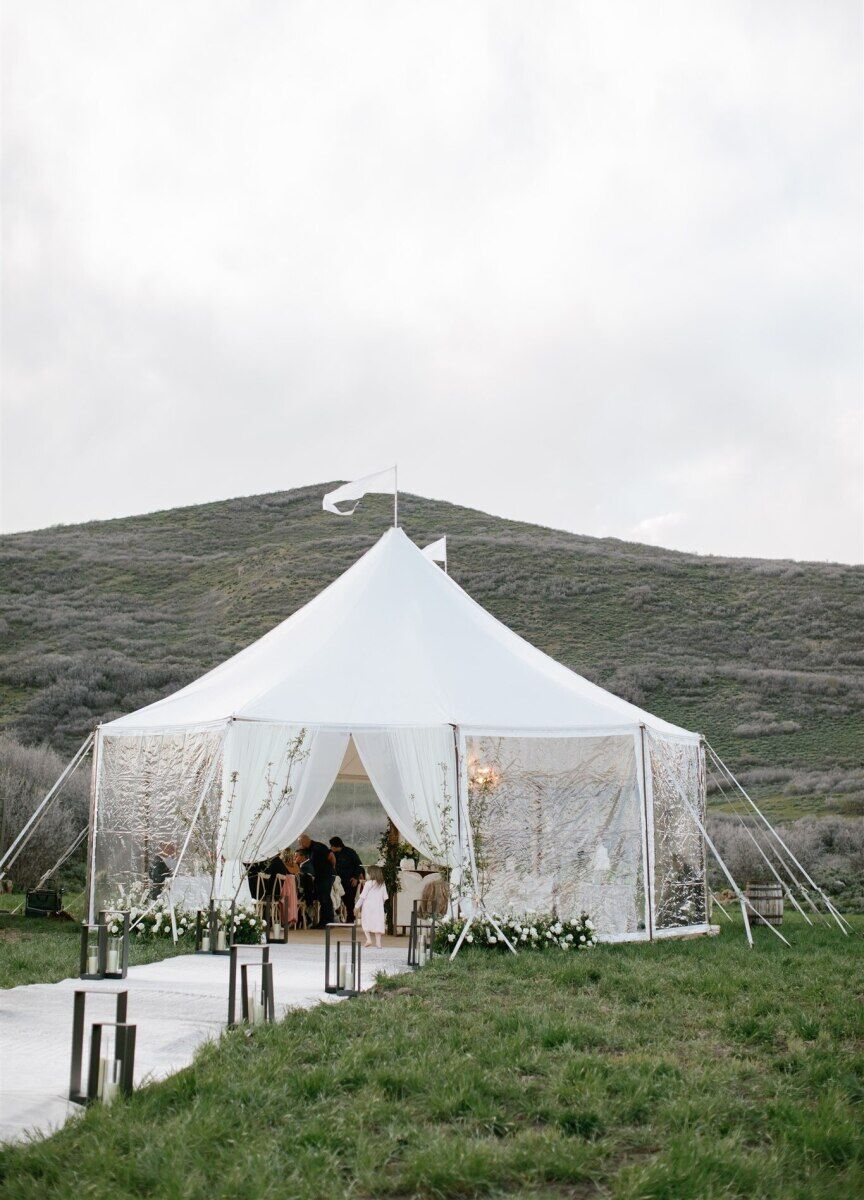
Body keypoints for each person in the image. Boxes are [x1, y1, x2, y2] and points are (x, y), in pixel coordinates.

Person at [297, 832, 335, 927]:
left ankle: (328, 921)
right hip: (319, 876)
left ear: (304, 841)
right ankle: (323, 921)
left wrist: (332, 869)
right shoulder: (309, 849)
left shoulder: (318, 847)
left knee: (325, 897)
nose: (300, 845)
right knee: (322, 898)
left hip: (326, 875)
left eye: (300, 843)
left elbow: (331, 856)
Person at [329, 836, 364, 923]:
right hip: (337, 881)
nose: (331, 848)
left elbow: (359, 866)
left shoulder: (350, 852)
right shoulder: (332, 854)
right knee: (335, 899)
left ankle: (350, 919)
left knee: (349, 901)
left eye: (331, 846)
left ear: (336, 846)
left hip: (350, 881)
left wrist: (356, 878)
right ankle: (338, 917)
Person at [355, 865, 388, 949]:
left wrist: (356, 906)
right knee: (378, 923)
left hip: (368, 907)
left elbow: (362, 897)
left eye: (368, 873)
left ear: (372, 874)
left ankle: (369, 940)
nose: (367, 875)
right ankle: (378, 943)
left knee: (366, 922)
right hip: (378, 907)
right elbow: (385, 897)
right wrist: (380, 904)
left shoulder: (368, 883)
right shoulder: (382, 884)